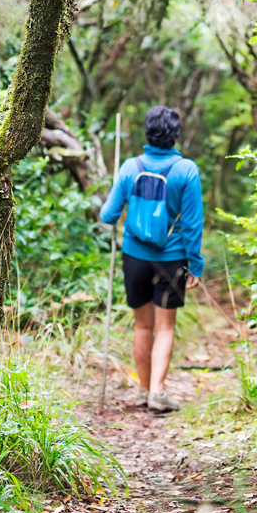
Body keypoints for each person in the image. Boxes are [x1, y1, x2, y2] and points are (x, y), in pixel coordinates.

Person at [99, 105, 204, 412]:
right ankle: (158, 392)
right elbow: (193, 224)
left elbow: (108, 215)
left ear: (148, 133)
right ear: (175, 134)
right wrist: (195, 264)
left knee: (142, 326)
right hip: (172, 258)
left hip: (134, 257)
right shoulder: (186, 170)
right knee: (165, 327)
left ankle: (142, 391)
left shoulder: (130, 167)